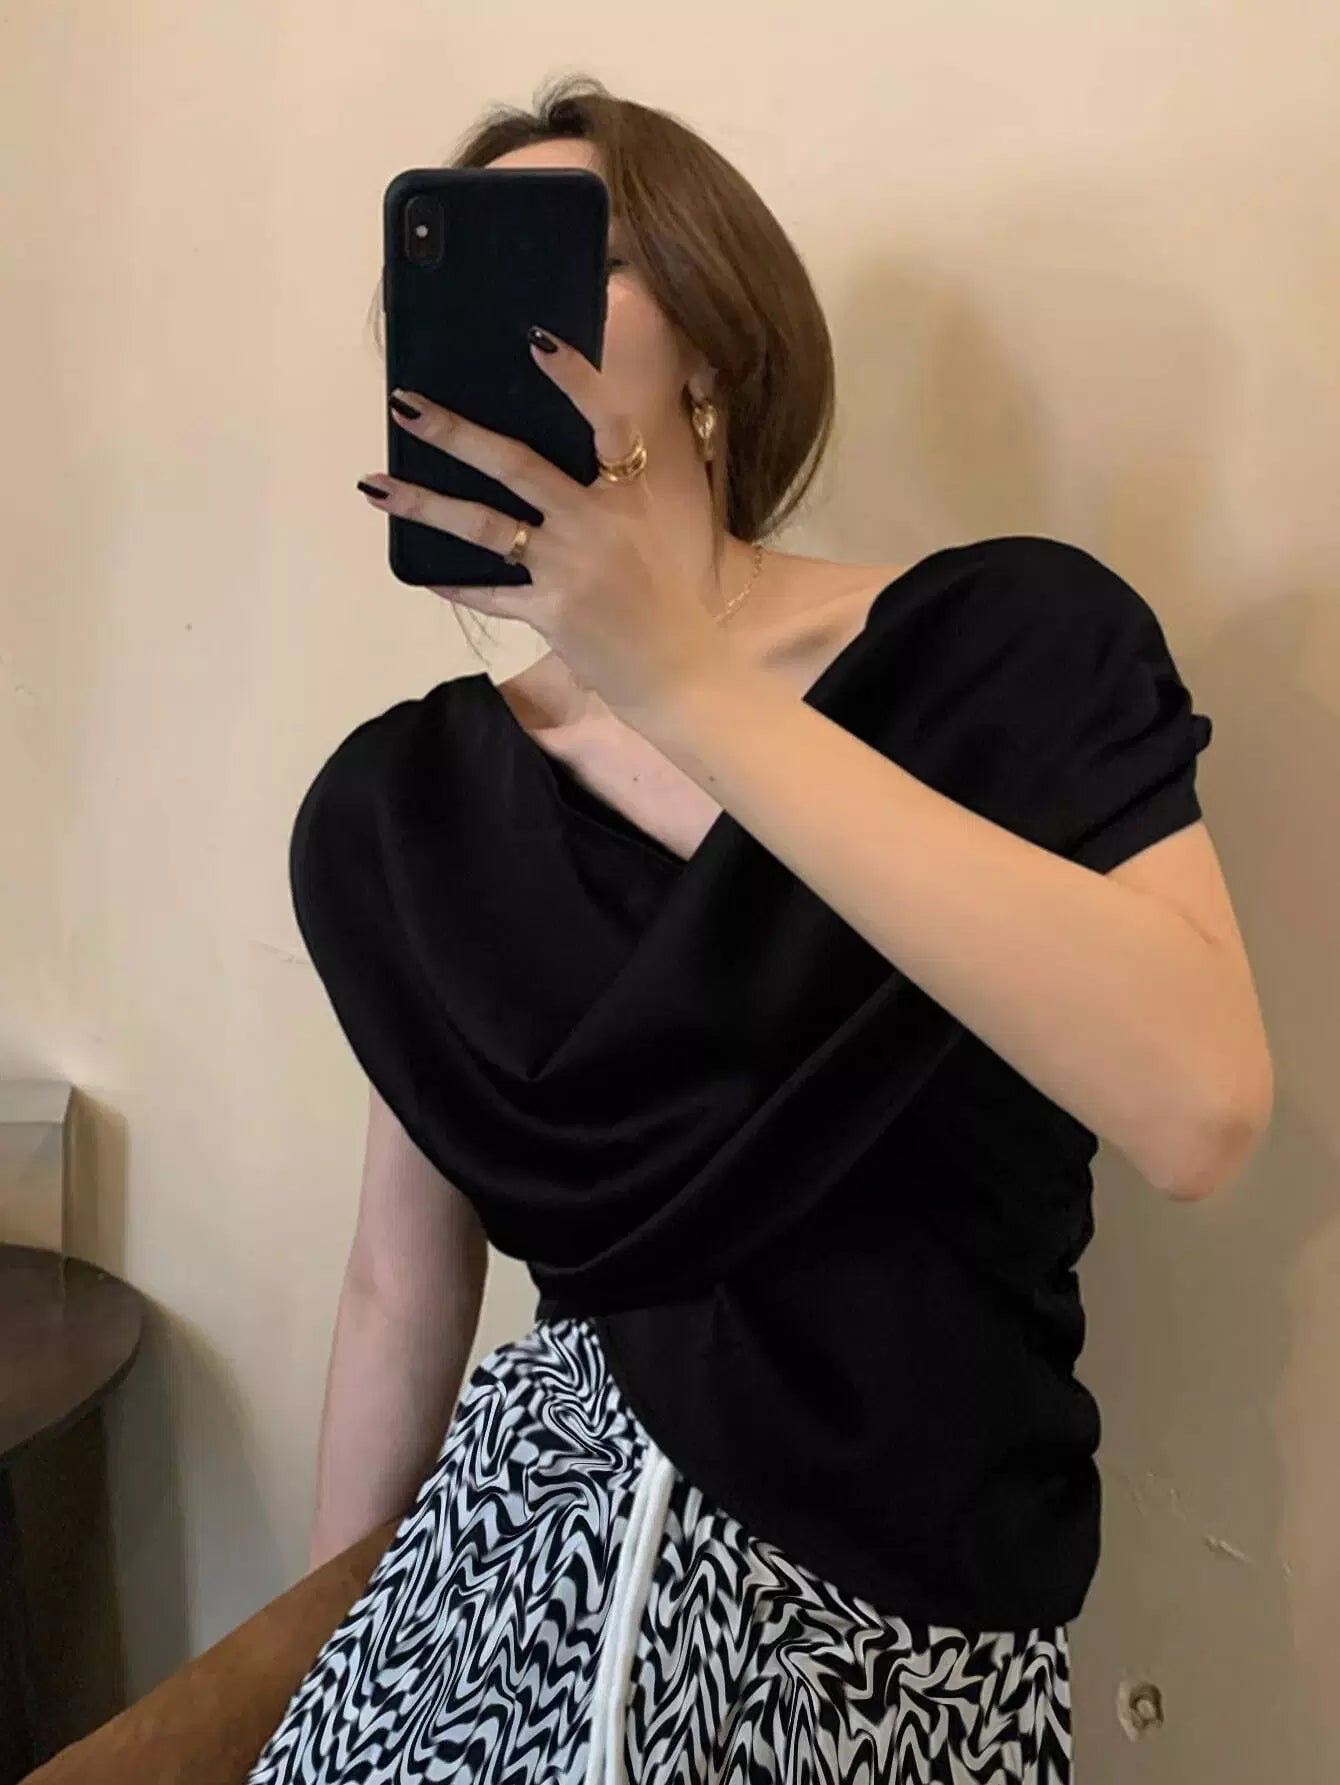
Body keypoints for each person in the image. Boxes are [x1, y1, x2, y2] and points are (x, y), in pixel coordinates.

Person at [248, 74, 1272, 1785]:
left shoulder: (1006, 653)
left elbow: (1203, 1105)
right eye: (464, 284)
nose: (519, 323)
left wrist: (685, 683)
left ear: (714, 344)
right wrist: (304, 1669)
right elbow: (397, 1280)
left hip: (910, 1648)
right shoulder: (409, 811)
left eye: (572, 257)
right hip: (510, 1601)